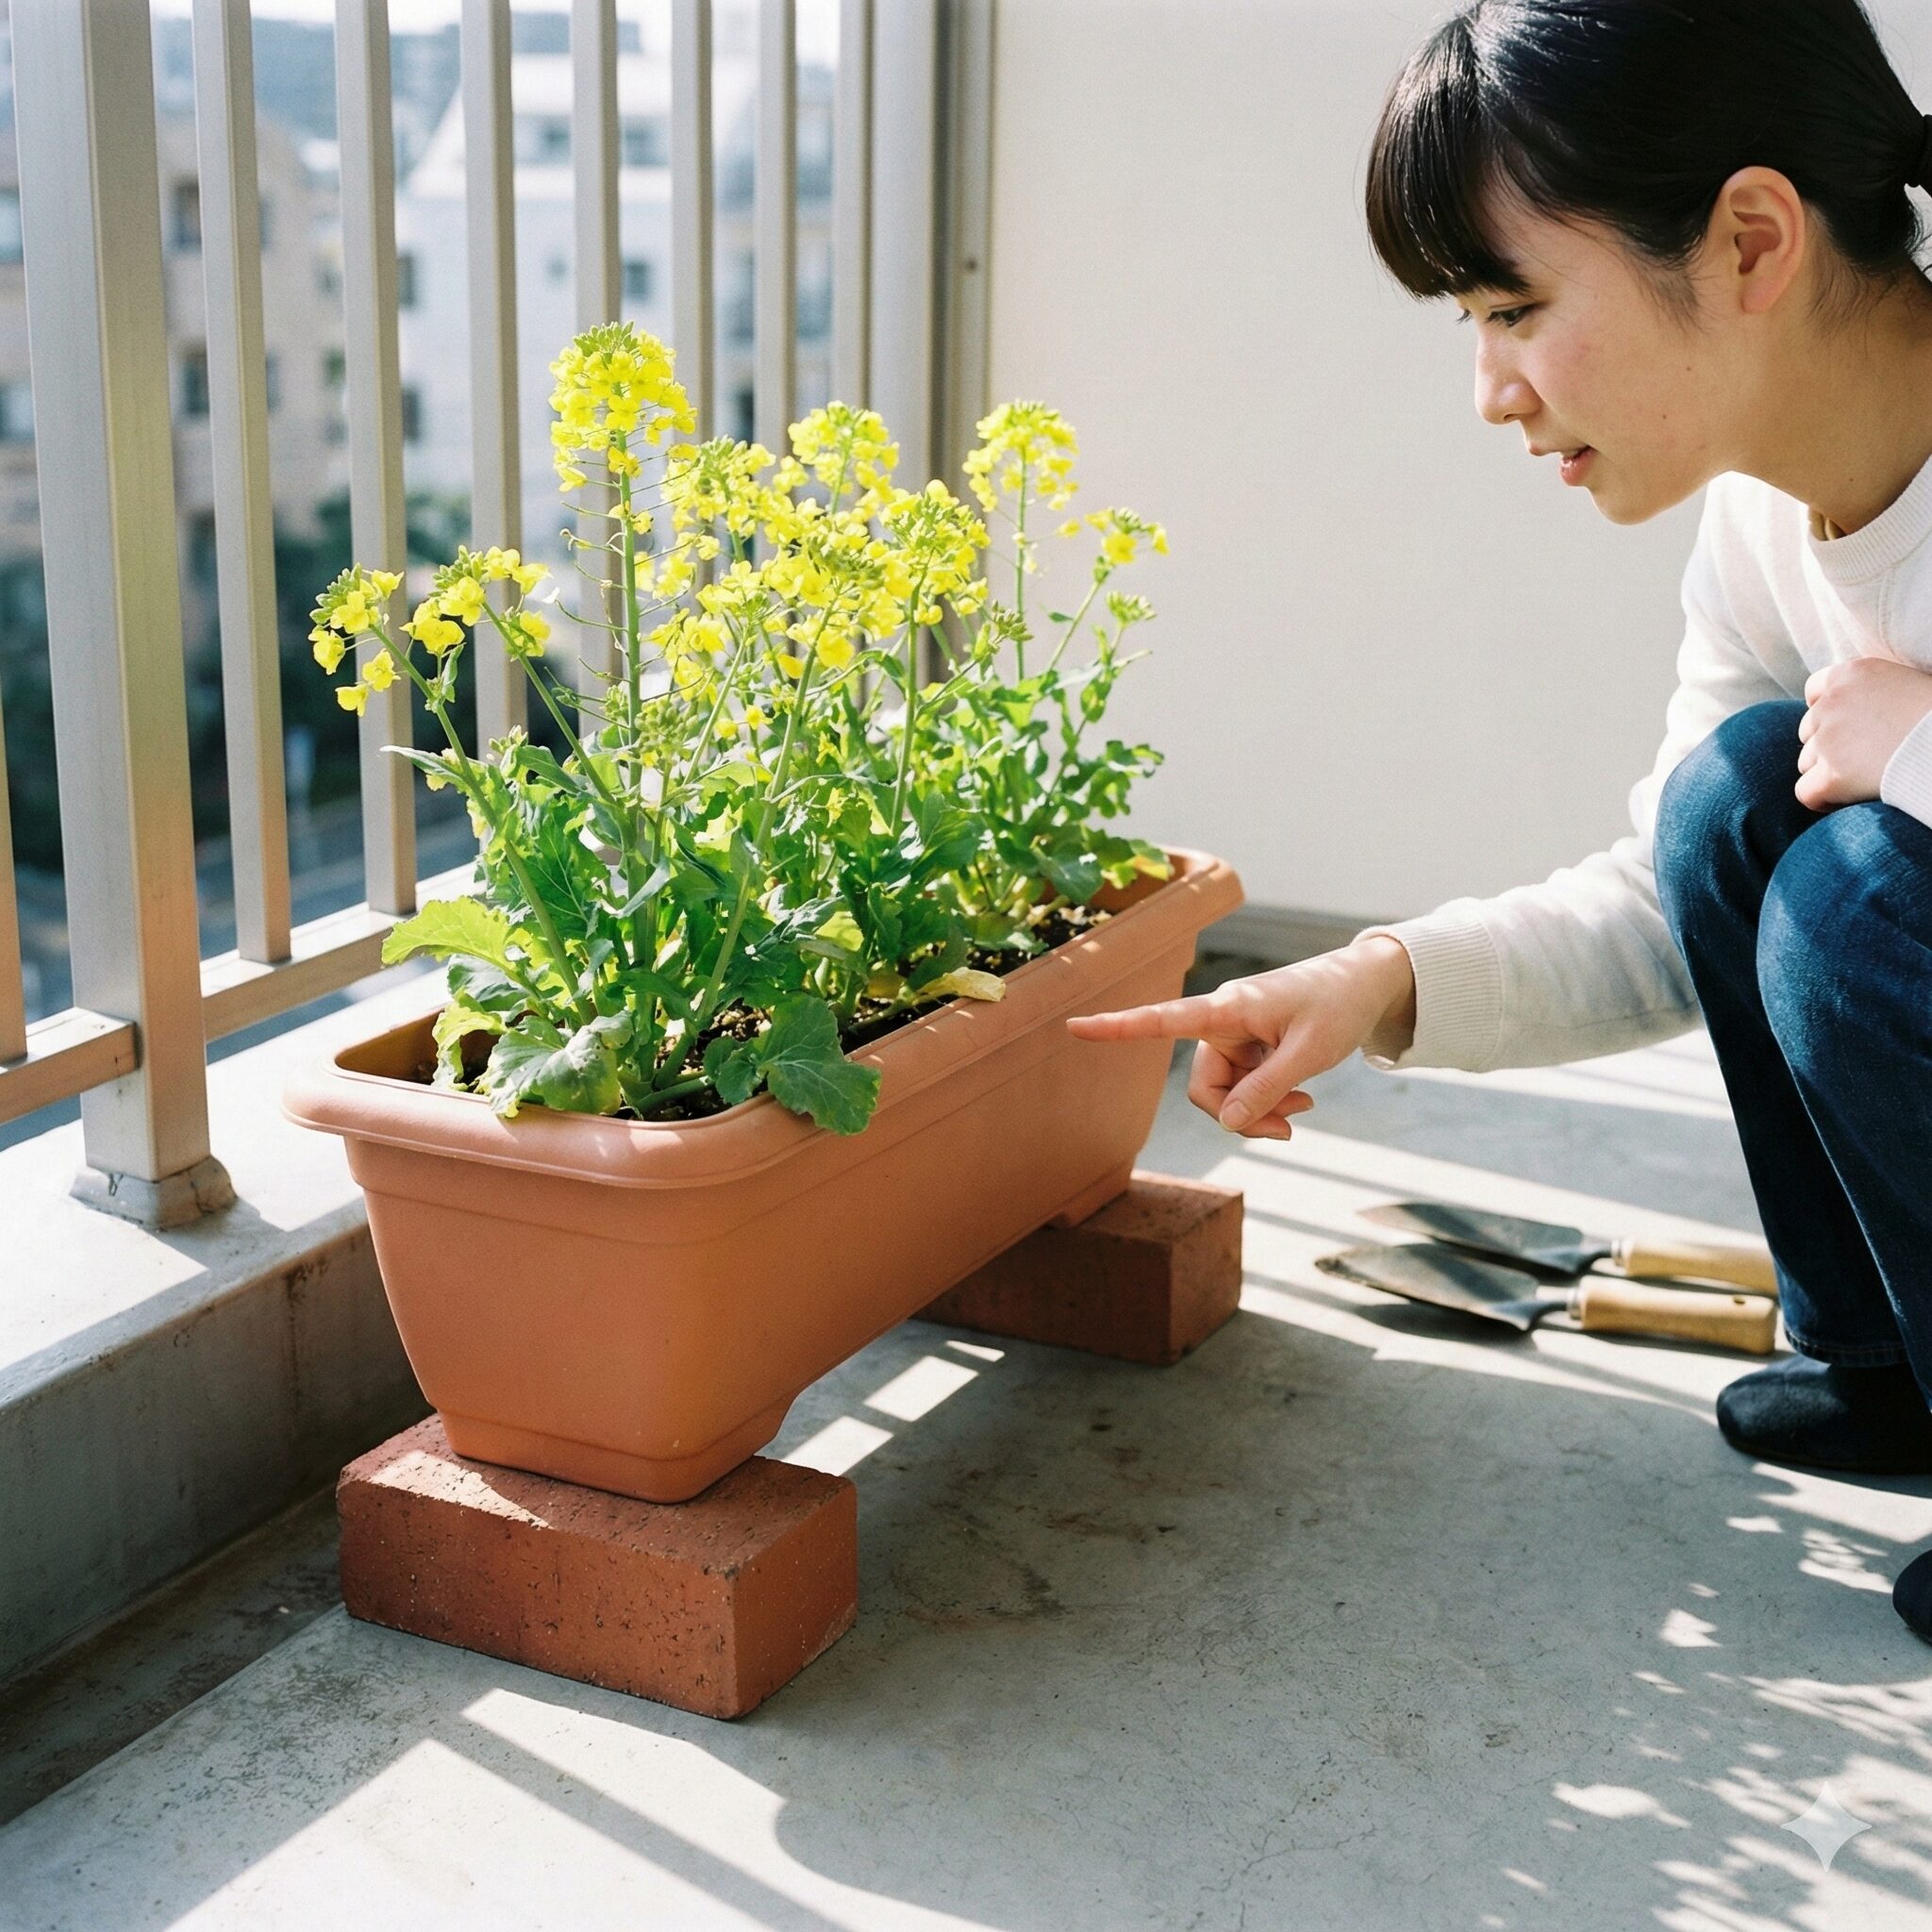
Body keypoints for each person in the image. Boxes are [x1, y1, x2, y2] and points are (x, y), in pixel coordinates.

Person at [1065, 0, 1932, 1641]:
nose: (1491, 392)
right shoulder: (1762, 520)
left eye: (1514, 305)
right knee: (1734, 812)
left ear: (1752, 240)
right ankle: (1893, 1365)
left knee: (1857, 901)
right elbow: (1676, 908)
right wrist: (1377, 982)